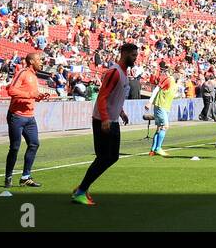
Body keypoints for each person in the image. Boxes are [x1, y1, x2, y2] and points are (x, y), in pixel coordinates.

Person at [71, 42, 137, 206]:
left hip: (112, 119)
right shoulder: (114, 72)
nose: (135, 58)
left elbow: (115, 96)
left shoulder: (123, 73)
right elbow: (102, 96)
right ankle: (80, 191)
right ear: (125, 53)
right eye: (133, 55)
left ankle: (82, 187)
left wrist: (121, 112)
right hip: (103, 120)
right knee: (103, 157)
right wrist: (106, 118)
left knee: (112, 157)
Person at [4, 50, 50, 189]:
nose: (41, 62)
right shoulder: (23, 73)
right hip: (17, 116)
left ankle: (25, 177)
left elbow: (31, 95)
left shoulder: (34, 76)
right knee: (15, 147)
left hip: (30, 117)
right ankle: (8, 176)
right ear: (31, 61)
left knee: (34, 144)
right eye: (39, 60)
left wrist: (39, 96)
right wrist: (30, 94)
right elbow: (11, 90)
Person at [147, 61, 176, 157]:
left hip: (164, 106)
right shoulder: (168, 79)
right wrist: (150, 102)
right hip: (161, 105)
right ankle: (158, 148)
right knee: (165, 126)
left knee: (159, 127)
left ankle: (153, 150)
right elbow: (156, 89)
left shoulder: (173, 82)